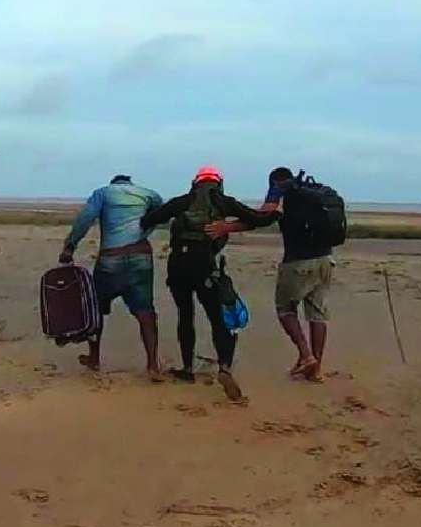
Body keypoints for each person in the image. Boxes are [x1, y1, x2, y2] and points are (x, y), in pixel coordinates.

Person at [140, 166, 279, 401]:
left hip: (178, 266)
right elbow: (257, 219)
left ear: (195, 182)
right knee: (218, 317)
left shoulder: (181, 202)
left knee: (186, 315)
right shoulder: (224, 202)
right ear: (218, 183)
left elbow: (149, 219)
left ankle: (187, 369)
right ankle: (224, 367)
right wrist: (277, 213)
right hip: (205, 265)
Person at [210, 167, 334, 381]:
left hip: (297, 262)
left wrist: (226, 228)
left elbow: (261, 219)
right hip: (326, 260)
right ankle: (316, 368)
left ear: (275, 181)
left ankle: (306, 356)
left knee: (285, 309)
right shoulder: (316, 191)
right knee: (317, 314)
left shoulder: (280, 192)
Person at [59, 174, 165, 381]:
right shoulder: (149, 195)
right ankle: (153, 365)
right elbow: (161, 215)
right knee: (146, 313)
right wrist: (145, 230)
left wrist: (70, 246)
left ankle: (94, 358)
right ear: (129, 183)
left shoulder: (103, 193)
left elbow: (85, 219)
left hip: (111, 259)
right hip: (141, 258)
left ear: (114, 182)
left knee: (95, 309)